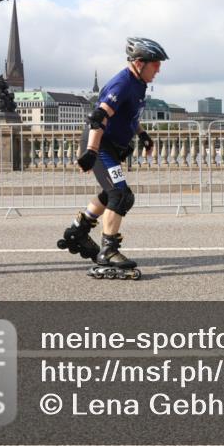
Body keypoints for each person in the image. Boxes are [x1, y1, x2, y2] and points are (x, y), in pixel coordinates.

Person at [57, 37, 168, 280]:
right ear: (139, 63)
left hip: (111, 145)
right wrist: (91, 152)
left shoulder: (138, 83)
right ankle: (108, 250)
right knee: (120, 194)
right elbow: (98, 118)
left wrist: (143, 135)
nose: (158, 69)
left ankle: (80, 228)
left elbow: (129, 115)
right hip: (100, 144)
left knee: (110, 192)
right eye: (155, 64)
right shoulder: (122, 84)